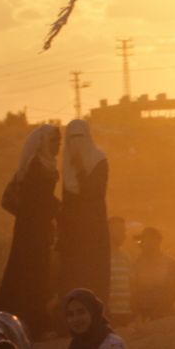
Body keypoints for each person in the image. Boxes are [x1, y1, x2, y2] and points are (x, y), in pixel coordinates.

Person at [0, 124, 60, 337]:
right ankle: (32, 324)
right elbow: (37, 201)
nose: (57, 145)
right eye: (53, 141)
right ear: (43, 143)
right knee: (30, 274)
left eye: (58, 141)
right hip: (31, 230)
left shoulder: (47, 165)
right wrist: (58, 208)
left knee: (37, 273)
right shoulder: (36, 167)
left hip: (39, 229)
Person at [55, 119, 111, 302]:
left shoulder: (99, 161)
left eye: (80, 137)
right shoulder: (67, 166)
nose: (76, 143)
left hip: (93, 231)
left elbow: (93, 194)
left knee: (94, 278)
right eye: (72, 138)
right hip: (72, 236)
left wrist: (80, 169)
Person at [129, 228, 175, 322]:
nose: (143, 244)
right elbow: (133, 291)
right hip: (142, 316)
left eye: (147, 240)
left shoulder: (171, 264)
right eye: (142, 241)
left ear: (157, 241)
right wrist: (137, 313)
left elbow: (172, 291)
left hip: (164, 316)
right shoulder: (137, 264)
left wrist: (157, 313)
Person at [106, 217, 133, 326]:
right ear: (109, 231)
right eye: (120, 231)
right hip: (108, 315)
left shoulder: (126, 257)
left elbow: (131, 285)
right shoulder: (100, 257)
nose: (124, 235)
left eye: (124, 231)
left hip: (125, 314)